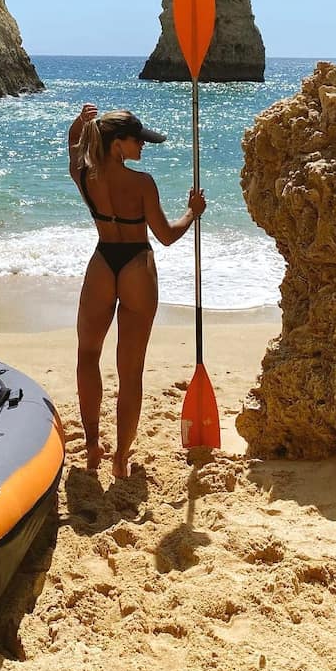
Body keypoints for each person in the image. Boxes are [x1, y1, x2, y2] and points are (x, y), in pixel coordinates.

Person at [67, 104, 206, 478]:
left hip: (102, 263)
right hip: (136, 269)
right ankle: (120, 459)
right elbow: (166, 235)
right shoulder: (142, 183)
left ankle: (93, 445)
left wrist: (79, 124)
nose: (143, 147)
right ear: (117, 145)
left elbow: (72, 148)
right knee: (130, 373)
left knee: (87, 355)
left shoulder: (84, 176)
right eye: (137, 141)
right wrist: (193, 212)